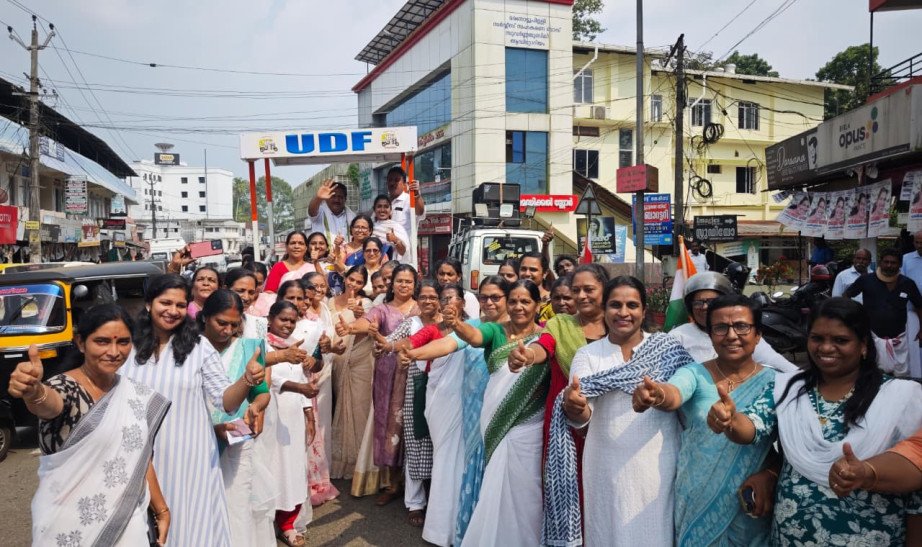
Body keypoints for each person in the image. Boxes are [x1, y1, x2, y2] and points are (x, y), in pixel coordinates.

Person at [709, 297, 922, 545]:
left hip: (870, 535)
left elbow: (916, 478)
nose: (826, 348)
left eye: (840, 340)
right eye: (817, 338)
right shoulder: (788, 387)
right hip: (791, 536)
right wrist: (731, 421)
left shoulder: (900, 397)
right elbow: (752, 427)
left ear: (863, 345)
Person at [543, 276, 695, 547]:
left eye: (632, 305)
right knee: (607, 534)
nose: (623, 312)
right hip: (605, 466)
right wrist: (574, 406)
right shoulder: (588, 355)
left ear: (644, 311)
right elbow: (583, 416)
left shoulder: (667, 350)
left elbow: (686, 397)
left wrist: (658, 396)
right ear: (604, 309)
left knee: (655, 535)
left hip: (657, 466)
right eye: (615, 305)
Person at [120, 274, 264, 546]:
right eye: (165, 303)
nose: (173, 311)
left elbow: (225, 401)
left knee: (193, 526)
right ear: (149, 303)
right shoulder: (126, 346)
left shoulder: (199, 347)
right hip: (139, 456)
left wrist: (247, 380)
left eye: (180, 305)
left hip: (192, 458)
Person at [9, 305, 171, 546]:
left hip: (127, 522)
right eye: (102, 341)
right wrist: (34, 392)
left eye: (123, 342)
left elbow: (140, 457)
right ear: (81, 343)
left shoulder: (134, 394)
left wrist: (161, 509)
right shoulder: (66, 386)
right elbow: (50, 404)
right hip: (69, 525)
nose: (114, 352)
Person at [633, 294, 776, 545]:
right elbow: (673, 393)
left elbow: (789, 445)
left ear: (758, 335)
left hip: (749, 508)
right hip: (697, 499)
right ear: (710, 335)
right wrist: (657, 395)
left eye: (741, 326)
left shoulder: (777, 383)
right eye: (720, 328)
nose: (731, 335)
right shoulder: (694, 373)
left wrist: (772, 474)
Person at [445, 280, 548, 546]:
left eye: (525, 301)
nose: (518, 307)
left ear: (537, 305)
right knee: (496, 483)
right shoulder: (495, 330)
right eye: (513, 301)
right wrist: (457, 324)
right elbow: (474, 336)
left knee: (528, 489)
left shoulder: (546, 336)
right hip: (495, 421)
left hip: (530, 427)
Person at [391, 283, 468, 545]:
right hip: (438, 399)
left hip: (469, 403)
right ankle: (426, 508)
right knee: (435, 452)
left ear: (463, 303)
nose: (446, 303)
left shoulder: (476, 328)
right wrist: (403, 352)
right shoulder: (434, 329)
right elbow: (412, 343)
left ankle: (460, 509)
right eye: (442, 299)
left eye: (451, 298)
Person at [336, 264, 420, 504]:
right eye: (399, 281)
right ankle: (393, 484)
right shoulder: (382, 309)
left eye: (408, 281)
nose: (403, 285)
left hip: (416, 373)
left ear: (415, 284)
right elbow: (367, 323)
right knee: (389, 426)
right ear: (392, 283)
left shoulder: (421, 307)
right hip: (388, 374)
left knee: (414, 427)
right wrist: (350, 328)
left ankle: (417, 485)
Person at [198, 290, 276, 547]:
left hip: (237, 440)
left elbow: (261, 393)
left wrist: (256, 407)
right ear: (205, 317)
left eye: (234, 324)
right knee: (202, 507)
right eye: (221, 323)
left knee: (237, 506)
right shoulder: (188, 350)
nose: (227, 330)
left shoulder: (250, 348)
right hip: (197, 441)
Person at [372, 280, 442, 527]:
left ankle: (440, 500)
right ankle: (415, 503)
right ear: (417, 299)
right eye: (423, 297)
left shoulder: (450, 324)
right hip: (416, 386)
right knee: (416, 442)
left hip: (446, 388)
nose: (428, 301)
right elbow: (388, 344)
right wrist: (380, 345)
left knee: (442, 444)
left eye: (433, 297)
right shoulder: (411, 324)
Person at [262, 301, 317, 547]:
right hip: (270, 415)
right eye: (283, 319)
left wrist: (309, 414)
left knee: (293, 468)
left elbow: (302, 377)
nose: (288, 325)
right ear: (270, 319)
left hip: (293, 416)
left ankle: (288, 523)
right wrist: (298, 388)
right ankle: (266, 522)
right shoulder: (262, 344)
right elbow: (272, 380)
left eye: (292, 321)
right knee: (272, 467)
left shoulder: (296, 344)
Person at [669, 272, 798, 372]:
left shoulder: (744, 333)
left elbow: (778, 363)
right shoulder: (677, 337)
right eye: (698, 303)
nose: (704, 307)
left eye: (712, 302)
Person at [327, 266, 374, 482]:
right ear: (344, 278)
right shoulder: (330, 302)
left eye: (358, 281)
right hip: (332, 361)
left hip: (355, 361)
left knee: (356, 409)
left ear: (363, 284)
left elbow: (367, 327)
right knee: (335, 406)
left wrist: (359, 314)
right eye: (351, 279)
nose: (353, 284)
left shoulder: (366, 303)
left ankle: (357, 463)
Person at [845, 248, 922, 376]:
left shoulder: (908, 284)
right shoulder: (866, 280)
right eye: (886, 262)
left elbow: (919, 306)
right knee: (872, 374)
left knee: (901, 377)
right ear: (880, 262)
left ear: (900, 265)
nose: (889, 265)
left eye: (893, 263)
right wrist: (852, 320)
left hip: (899, 340)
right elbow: (846, 296)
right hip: (871, 337)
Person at [386, 166, 425, 264]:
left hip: (404, 259)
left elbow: (420, 212)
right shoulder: (383, 203)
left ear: (404, 184)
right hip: (385, 257)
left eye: (396, 180)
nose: (392, 183)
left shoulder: (409, 200)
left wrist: (416, 195)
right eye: (390, 180)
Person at [308, 179, 356, 246]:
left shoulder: (352, 216)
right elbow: (311, 211)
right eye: (333, 196)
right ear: (326, 197)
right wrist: (318, 197)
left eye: (340, 197)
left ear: (345, 199)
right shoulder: (320, 211)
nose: (336, 200)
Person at [903, 230, 922, 378]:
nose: (920, 245)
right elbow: (902, 283)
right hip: (913, 310)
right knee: (915, 345)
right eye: (917, 242)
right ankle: (916, 377)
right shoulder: (906, 259)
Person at [371, 193, 411, 263]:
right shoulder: (370, 228)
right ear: (374, 209)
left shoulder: (396, 227)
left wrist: (395, 240)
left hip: (391, 265)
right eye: (379, 206)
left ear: (390, 210)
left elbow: (403, 253)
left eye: (386, 207)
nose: (382, 210)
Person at [519, 251, 553, 323]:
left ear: (545, 273)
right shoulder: (510, 298)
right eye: (523, 269)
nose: (527, 274)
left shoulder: (552, 301)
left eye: (533, 270)